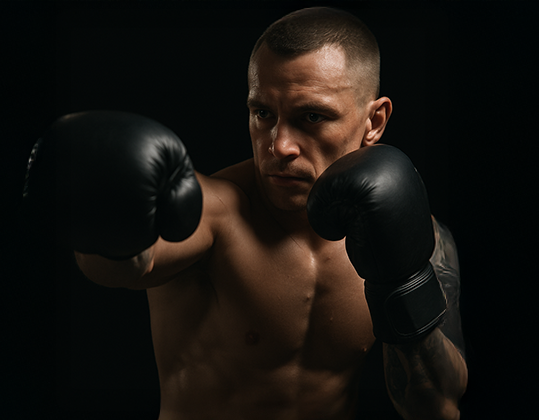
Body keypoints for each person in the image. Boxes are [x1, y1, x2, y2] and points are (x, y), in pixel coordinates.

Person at [25, 7, 467, 420]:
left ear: (374, 122)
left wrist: (403, 285)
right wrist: (108, 221)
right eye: (263, 113)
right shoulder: (217, 211)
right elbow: (118, 267)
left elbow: (437, 407)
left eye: (312, 117)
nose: (279, 145)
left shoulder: (414, 235)